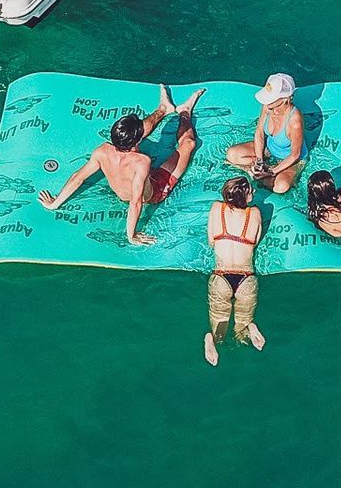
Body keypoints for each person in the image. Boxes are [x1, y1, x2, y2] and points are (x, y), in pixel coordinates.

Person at [37, 86, 203, 245]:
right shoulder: (141, 162)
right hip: (155, 191)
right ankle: (184, 112)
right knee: (188, 144)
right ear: (137, 141)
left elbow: (77, 177)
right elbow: (136, 201)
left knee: (131, 131)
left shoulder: (102, 151)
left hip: (129, 178)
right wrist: (132, 235)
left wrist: (55, 203)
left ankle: (163, 109)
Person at [204, 176, 265, 365]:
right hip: (246, 278)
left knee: (219, 331)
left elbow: (211, 242)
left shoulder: (216, 208)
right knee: (241, 333)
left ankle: (210, 340)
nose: (254, 192)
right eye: (250, 191)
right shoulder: (255, 213)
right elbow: (254, 241)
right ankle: (250, 328)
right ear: (244, 197)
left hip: (220, 276)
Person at [226, 72, 305, 194]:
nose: (266, 101)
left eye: (270, 98)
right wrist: (259, 161)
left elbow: (295, 154)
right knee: (232, 154)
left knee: (280, 187)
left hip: (290, 159)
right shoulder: (268, 106)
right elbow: (259, 132)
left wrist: (272, 171)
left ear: (285, 99)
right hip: (270, 149)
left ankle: (257, 174)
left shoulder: (295, 121)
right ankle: (260, 174)